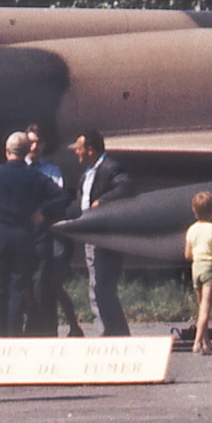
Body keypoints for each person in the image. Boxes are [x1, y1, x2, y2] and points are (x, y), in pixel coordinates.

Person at [0, 132, 65, 337]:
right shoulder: (37, 177)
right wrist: (43, 212)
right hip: (23, 234)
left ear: (7, 151)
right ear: (26, 152)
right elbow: (62, 197)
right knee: (18, 287)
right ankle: (13, 333)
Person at [71, 131, 134, 336]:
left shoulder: (111, 168)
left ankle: (114, 331)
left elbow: (126, 187)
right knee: (96, 286)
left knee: (103, 286)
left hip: (106, 236)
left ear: (90, 150)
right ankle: (110, 330)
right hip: (91, 236)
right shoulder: (87, 174)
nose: (76, 152)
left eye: (79, 148)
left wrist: (102, 202)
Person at [27, 125, 83, 338]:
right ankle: (32, 326)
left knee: (52, 283)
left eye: (38, 142)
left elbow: (57, 199)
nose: (34, 146)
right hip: (26, 236)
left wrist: (42, 210)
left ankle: (69, 324)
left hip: (49, 233)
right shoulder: (17, 168)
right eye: (30, 142)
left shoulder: (51, 171)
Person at [184, 191, 212, 355]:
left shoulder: (191, 230)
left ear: (194, 210)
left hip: (196, 268)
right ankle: (197, 342)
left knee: (201, 306)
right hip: (209, 268)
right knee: (206, 307)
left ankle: (206, 343)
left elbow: (187, 254)